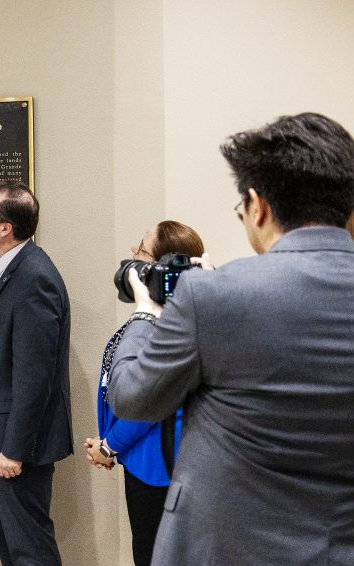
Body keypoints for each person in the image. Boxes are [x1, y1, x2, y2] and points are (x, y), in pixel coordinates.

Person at [108, 113, 354, 564]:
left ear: (257, 206)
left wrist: (147, 311)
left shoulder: (212, 296)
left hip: (223, 547)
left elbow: (132, 397)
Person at [0, 180, 72, 566]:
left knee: (30, 554)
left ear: (5, 228)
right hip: (2, 442)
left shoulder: (33, 277)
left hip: (18, 448)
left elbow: (34, 375)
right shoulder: (11, 269)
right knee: (15, 552)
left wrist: (15, 448)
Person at [83, 221, 205, 566]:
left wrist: (109, 446)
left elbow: (148, 403)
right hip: (140, 459)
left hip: (157, 467)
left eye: (141, 251)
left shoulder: (165, 324)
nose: (132, 259)